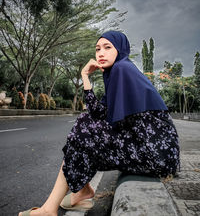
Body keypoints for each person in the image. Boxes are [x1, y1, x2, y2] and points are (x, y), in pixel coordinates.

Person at [19, 31, 180, 216]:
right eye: (97, 49)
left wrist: (86, 134)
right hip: (147, 149)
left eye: (107, 47)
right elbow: (97, 113)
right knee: (85, 127)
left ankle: (60, 203)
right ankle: (77, 193)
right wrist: (85, 77)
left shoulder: (122, 69)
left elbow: (105, 121)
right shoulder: (116, 72)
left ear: (120, 50)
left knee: (84, 128)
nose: (100, 53)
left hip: (154, 154)